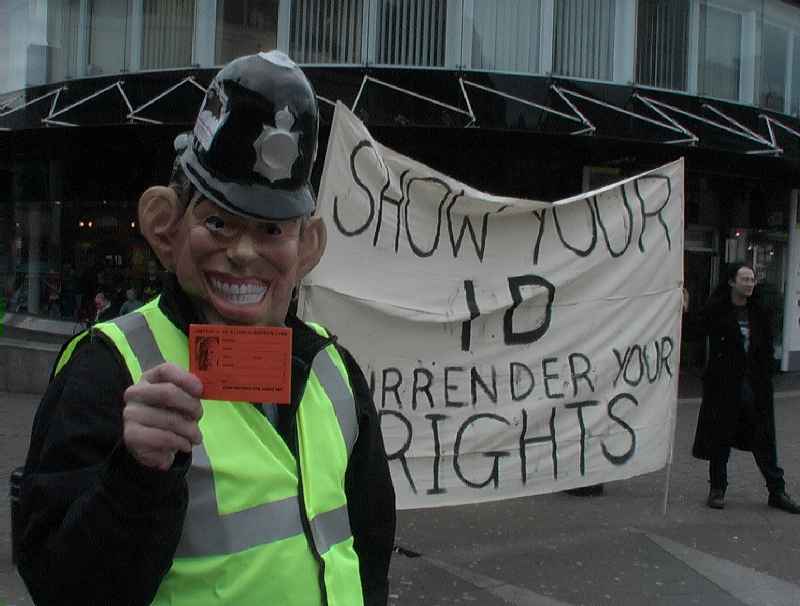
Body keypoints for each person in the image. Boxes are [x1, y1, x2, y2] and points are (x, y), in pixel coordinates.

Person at [16, 50, 396, 605]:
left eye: (271, 229)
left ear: (305, 247)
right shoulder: (108, 367)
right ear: (166, 226)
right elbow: (61, 587)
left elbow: (369, 547)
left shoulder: (335, 373)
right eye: (217, 221)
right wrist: (135, 478)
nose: (243, 253)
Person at [682, 262, 800, 513]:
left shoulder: (759, 311)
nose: (749, 283)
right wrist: (684, 309)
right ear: (731, 282)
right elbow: (693, 332)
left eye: (752, 279)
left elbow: (767, 346)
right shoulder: (717, 310)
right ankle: (717, 489)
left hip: (755, 386)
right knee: (720, 438)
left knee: (764, 440)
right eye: (744, 279)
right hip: (724, 386)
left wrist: (765, 373)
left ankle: (777, 491)